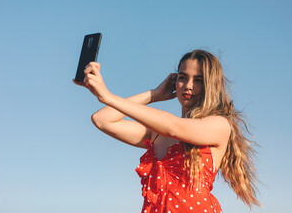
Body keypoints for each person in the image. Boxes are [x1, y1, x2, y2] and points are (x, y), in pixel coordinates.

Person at [73, 49, 260, 213]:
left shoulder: (218, 125)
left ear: (211, 85)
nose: (188, 86)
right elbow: (102, 120)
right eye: (183, 77)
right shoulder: (156, 133)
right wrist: (154, 94)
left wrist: (108, 96)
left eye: (198, 80)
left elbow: (173, 127)